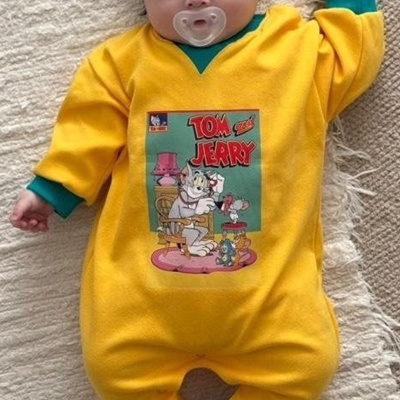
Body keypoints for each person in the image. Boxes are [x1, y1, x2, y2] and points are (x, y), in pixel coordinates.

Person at [10, 0, 384, 398]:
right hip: (142, 304)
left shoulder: (296, 52)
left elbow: (352, 49)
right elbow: (87, 133)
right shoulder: (120, 64)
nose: (195, 1)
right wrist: (52, 188)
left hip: (271, 302)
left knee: (306, 365)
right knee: (114, 371)